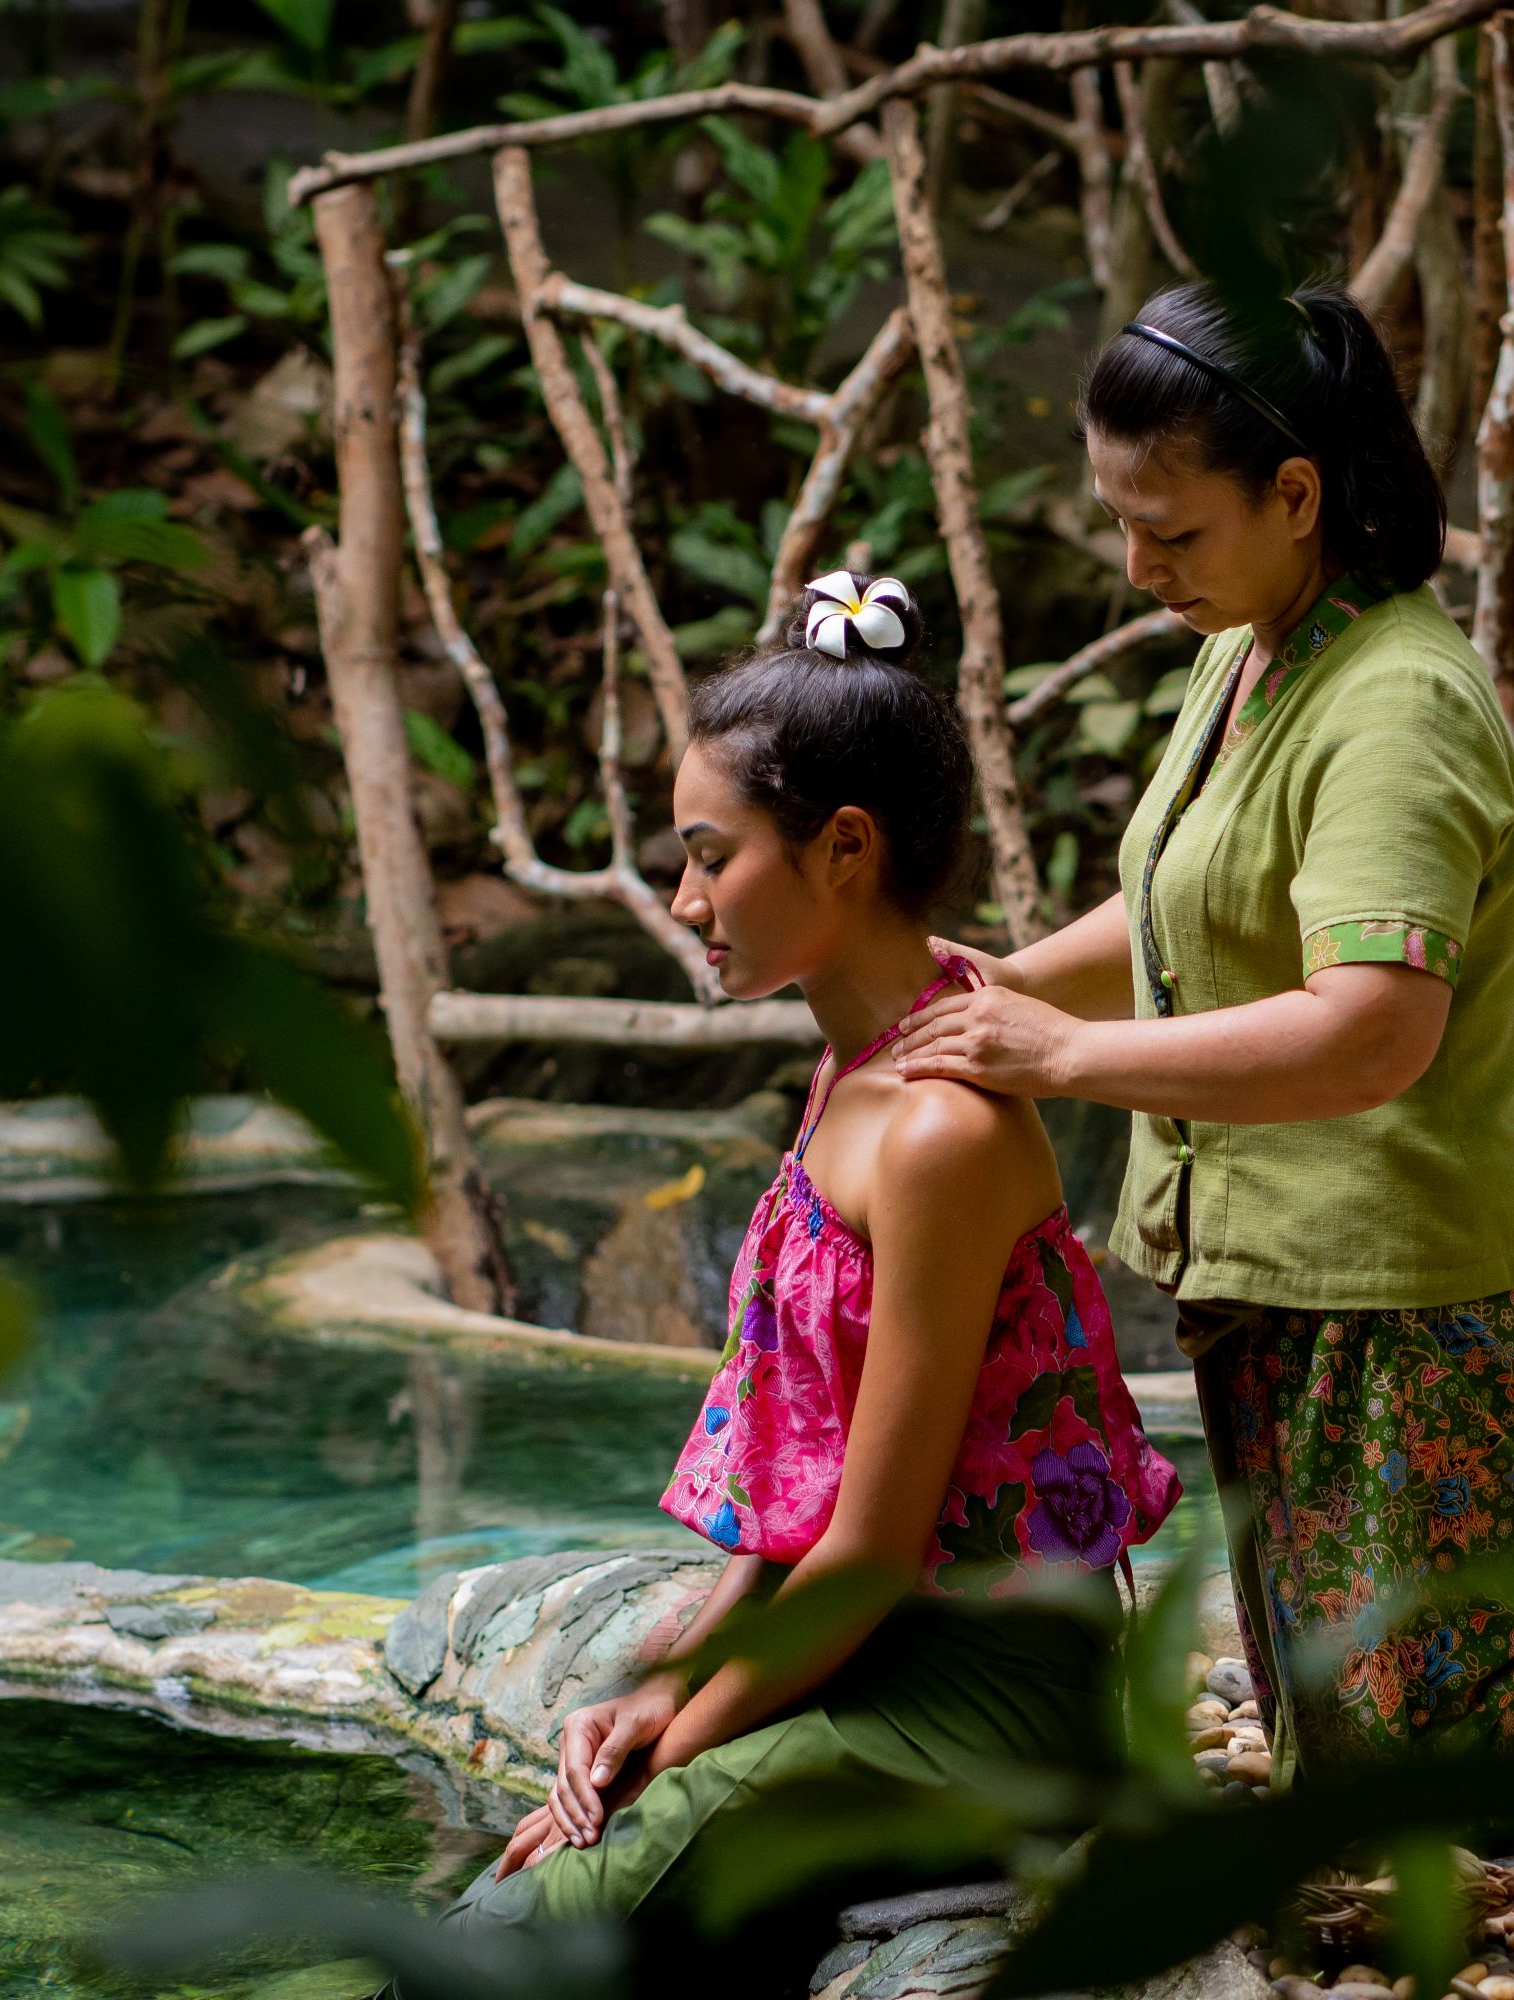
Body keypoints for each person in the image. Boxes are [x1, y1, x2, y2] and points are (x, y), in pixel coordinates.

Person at [888, 281, 1514, 1774]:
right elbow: (1191, 903)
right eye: (1123, 522)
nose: (1137, 566)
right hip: (1278, 1272)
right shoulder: (1248, 650)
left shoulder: (1399, 707)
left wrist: (1064, 1061)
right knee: (1340, 1749)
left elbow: (1370, 1029)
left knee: (1429, 1741)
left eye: (1170, 531)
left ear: (1296, 494)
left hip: (1411, 1293)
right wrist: (1009, 987)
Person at [429, 570, 1182, 1968]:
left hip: (985, 1698)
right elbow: (808, 1499)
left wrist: (674, 1739)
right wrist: (667, 1684)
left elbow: (877, 1546)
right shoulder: (858, 1063)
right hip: (877, 1635)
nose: (682, 895)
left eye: (712, 856)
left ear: (844, 848)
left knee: (529, 1932)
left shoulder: (940, 1133)